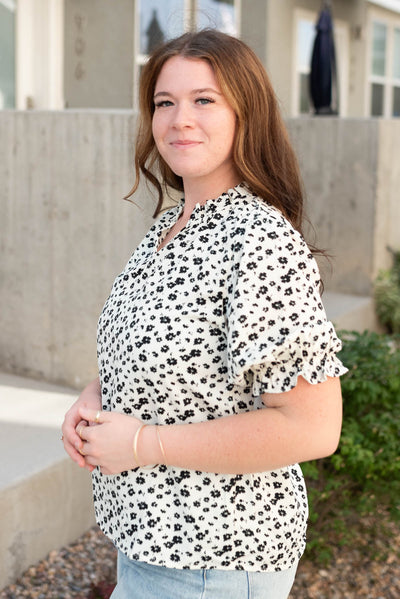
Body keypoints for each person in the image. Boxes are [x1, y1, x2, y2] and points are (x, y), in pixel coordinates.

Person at [62, 29, 347, 599]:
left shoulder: (259, 240)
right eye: (164, 103)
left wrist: (142, 443)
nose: (178, 119)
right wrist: (97, 397)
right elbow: (163, 353)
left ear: (247, 113)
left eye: (204, 100)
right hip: (146, 541)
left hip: (214, 560)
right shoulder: (171, 226)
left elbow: (313, 426)